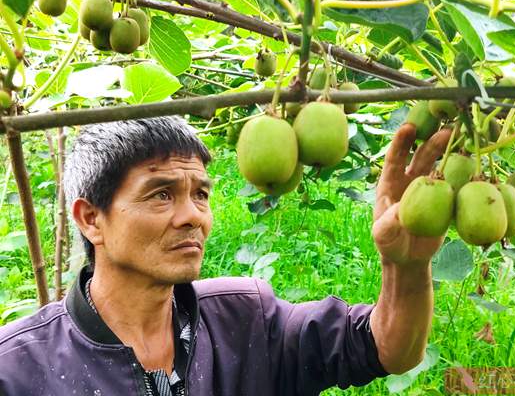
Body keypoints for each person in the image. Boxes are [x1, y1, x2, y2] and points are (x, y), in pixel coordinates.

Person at [0, 116, 450, 396]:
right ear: (91, 218)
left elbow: (387, 348)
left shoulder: (245, 318)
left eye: (200, 194)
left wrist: (405, 266)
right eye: (161, 195)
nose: (191, 216)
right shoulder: (17, 370)